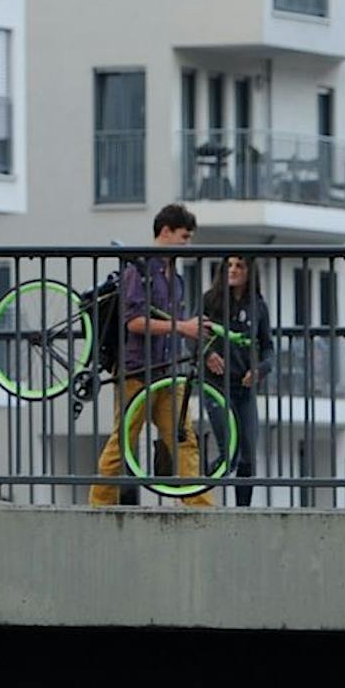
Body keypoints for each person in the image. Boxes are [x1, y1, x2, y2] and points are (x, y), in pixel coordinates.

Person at [87, 205, 212, 508]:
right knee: (124, 442)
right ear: (165, 231)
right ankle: (98, 506)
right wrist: (182, 327)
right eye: (184, 236)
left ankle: (203, 509)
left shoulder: (176, 279)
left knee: (185, 439)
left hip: (168, 373)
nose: (187, 244)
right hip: (136, 371)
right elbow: (134, 322)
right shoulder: (139, 271)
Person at [202, 254, 273, 505]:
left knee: (248, 456)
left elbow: (267, 348)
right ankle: (196, 486)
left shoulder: (258, 306)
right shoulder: (210, 301)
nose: (233, 270)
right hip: (215, 386)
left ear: (249, 272)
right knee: (228, 454)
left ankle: (244, 510)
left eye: (239, 266)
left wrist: (260, 369)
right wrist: (207, 353)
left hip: (244, 390)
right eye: (229, 265)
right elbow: (193, 335)